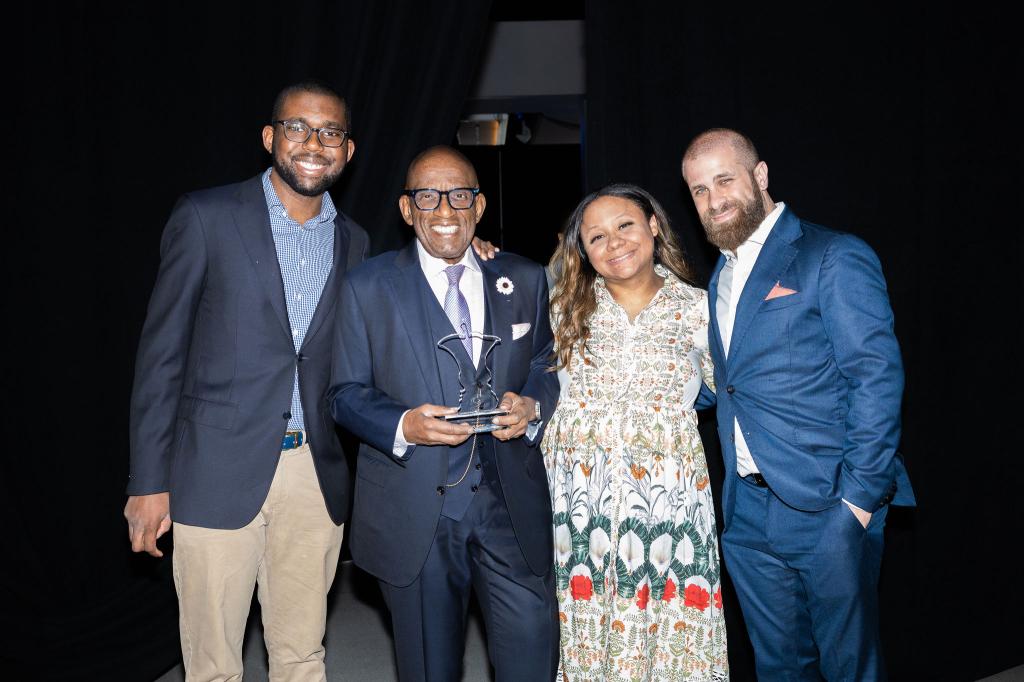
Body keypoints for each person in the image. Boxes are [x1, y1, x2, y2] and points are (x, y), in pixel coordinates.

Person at [124, 80, 367, 681]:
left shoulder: (355, 242)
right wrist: (148, 482)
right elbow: (161, 358)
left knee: (302, 655)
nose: (313, 142)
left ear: (348, 149)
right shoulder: (206, 217)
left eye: (329, 132)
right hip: (211, 471)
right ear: (270, 137)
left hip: (314, 476)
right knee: (211, 665)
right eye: (297, 128)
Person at [680, 128, 915, 680]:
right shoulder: (722, 277)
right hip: (748, 516)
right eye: (697, 190)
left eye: (724, 180)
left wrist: (856, 502)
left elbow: (876, 379)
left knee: (849, 668)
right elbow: (732, 383)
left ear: (759, 177)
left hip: (828, 505)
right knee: (780, 670)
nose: (713, 200)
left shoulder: (831, 254)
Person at [327, 145, 560, 681]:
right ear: (407, 210)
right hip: (417, 510)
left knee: (533, 653)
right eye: (428, 197)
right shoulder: (367, 287)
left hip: (510, 504)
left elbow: (546, 362)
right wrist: (403, 424)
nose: (446, 210)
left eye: (459, 195)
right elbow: (343, 392)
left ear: (479, 206)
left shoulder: (524, 279)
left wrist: (532, 403)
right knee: (430, 668)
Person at [543, 184, 729, 681]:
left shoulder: (700, 308)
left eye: (625, 225)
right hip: (581, 500)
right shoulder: (560, 309)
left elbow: (738, 393)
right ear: (582, 249)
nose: (614, 242)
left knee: (669, 623)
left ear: (652, 226)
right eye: (596, 236)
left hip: (669, 500)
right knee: (585, 621)